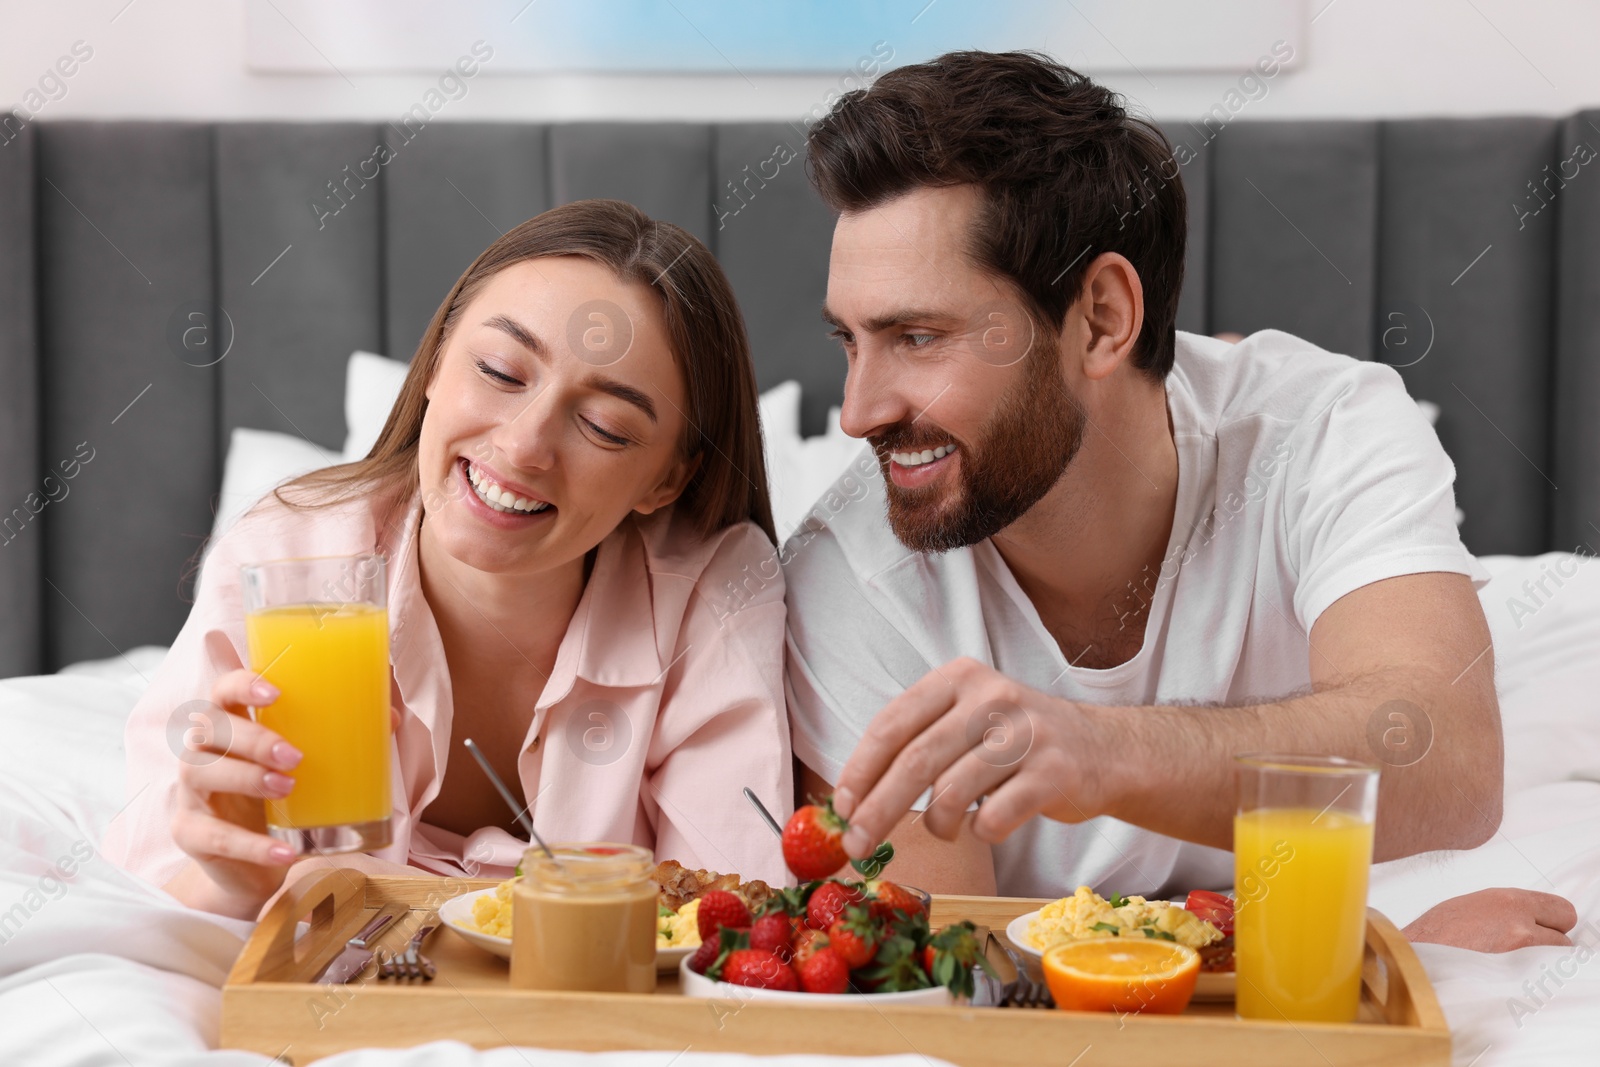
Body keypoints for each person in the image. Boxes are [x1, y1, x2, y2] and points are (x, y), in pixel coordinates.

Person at [782, 50, 1511, 912]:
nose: (858, 413)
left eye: (916, 338)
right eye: (849, 341)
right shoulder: (847, 576)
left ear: (1101, 319)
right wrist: (1370, 954)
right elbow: (951, 984)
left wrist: (1103, 751)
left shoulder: (1323, 430)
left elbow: (1448, 754)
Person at [103, 199, 792, 919]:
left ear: (666, 480)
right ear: (433, 363)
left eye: (604, 425)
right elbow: (149, 879)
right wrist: (235, 882)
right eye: (499, 370)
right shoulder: (289, 560)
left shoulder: (714, 593)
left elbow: (730, 917)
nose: (525, 445)